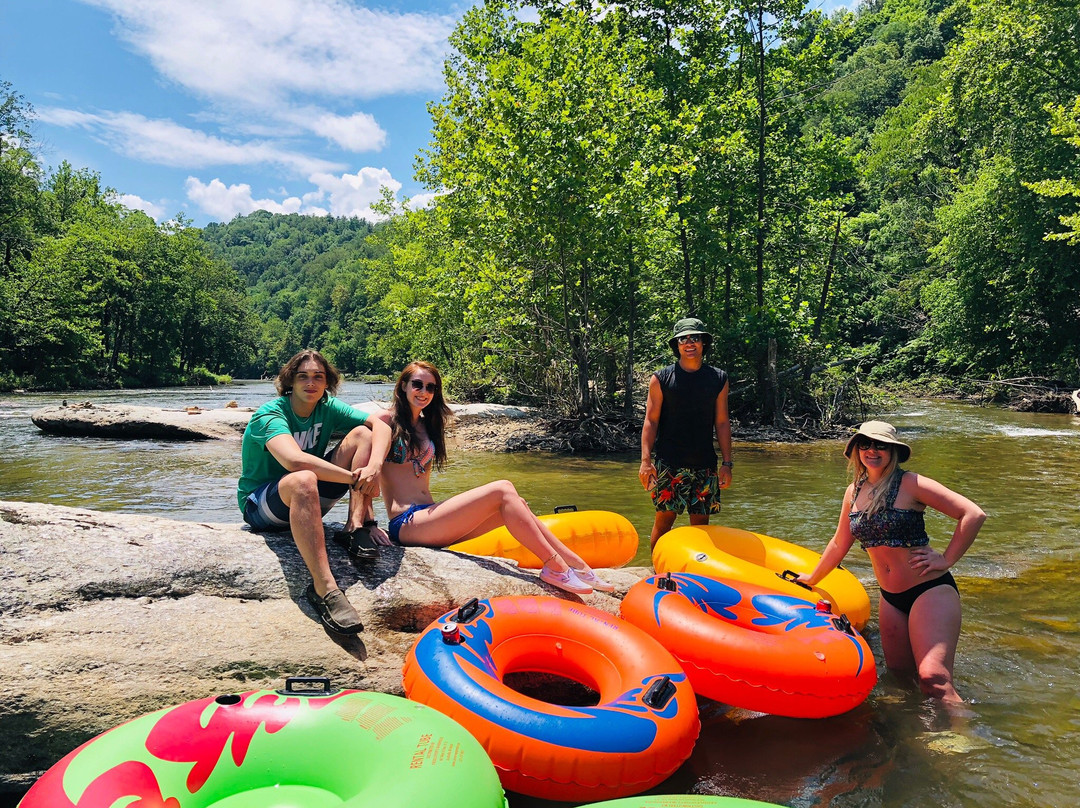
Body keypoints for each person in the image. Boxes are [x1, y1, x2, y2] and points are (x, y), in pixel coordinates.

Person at [371, 360, 614, 596]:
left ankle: (577, 566)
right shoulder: (385, 421)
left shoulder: (428, 425)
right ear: (403, 385)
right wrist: (367, 523)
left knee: (518, 506)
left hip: (429, 516)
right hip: (406, 522)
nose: (423, 392)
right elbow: (363, 468)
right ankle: (555, 566)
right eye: (417, 384)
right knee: (502, 489)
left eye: (430, 387)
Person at [796, 421, 986, 703]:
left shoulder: (910, 483)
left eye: (880, 445)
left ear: (893, 450)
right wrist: (812, 579)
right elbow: (839, 543)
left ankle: (963, 741)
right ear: (856, 450)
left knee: (934, 679)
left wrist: (946, 559)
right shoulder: (853, 492)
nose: (872, 450)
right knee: (899, 677)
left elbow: (972, 514)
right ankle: (919, 736)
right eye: (865, 444)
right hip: (891, 600)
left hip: (929, 590)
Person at [237, 349, 391, 635]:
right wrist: (356, 480)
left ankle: (354, 526)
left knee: (363, 435)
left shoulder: (327, 407)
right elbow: (294, 461)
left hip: (307, 500)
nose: (311, 383)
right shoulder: (270, 415)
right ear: (290, 382)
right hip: (262, 505)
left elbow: (380, 425)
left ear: (327, 382)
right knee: (304, 477)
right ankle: (325, 589)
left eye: (318, 377)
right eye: (303, 377)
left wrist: (374, 470)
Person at [639, 317, 733, 547]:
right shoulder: (661, 378)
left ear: (703, 343)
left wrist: (727, 463)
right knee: (664, 521)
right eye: (683, 339)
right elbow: (650, 421)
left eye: (695, 338)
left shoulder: (718, 378)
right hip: (669, 463)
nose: (689, 343)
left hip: (705, 464)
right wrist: (645, 461)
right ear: (677, 345)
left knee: (701, 526)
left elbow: (721, 422)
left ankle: (696, 576)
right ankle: (657, 574)